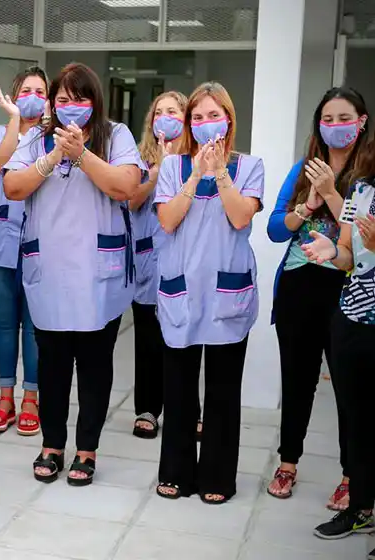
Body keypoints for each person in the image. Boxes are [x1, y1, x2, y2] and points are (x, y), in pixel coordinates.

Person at [4, 62, 143, 486]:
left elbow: (126, 186)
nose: (71, 107)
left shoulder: (115, 135)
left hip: (97, 274)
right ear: (50, 103)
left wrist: (82, 154)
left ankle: (87, 449)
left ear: (94, 102)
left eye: (79, 99)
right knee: (53, 365)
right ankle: (52, 444)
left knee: (96, 365)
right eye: (62, 99)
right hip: (49, 270)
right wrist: (53, 156)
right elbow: (13, 187)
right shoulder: (34, 139)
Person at [154, 82, 265, 504]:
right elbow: (167, 221)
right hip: (181, 289)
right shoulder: (172, 167)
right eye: (196, 117)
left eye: (212, 116)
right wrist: (196, 173)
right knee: (179, 388)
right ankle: (177, 473)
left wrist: (219, 173)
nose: (204, 124)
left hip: (226, 291)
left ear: (229, 121)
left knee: (222, 390)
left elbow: (240, 218)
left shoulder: (250, 166)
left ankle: (218, 476)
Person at [266, 87, 367, 507]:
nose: (337, 127)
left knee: (349, 389)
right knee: (297, 381)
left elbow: (365, 235)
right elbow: (275, 229)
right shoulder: (302, 170)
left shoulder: (369, 175)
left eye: (346, 118)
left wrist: (330, 192)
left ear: (362, 122)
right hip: (297, 286)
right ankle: (288, 461)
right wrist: (307, 205)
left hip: (346, 290)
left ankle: (351, 474)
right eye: (329, 119)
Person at [304, 131, 375, 550]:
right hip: (353, 317)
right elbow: (351, 253)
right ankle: (360, 508)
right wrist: (334, 251)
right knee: (357, 420)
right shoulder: (360, 190)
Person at [131, 91, 202, 440]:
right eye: (159, 111)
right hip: (148, 259)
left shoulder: (199, 159)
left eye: (173, 111)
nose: (165, 117)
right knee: (148, 339)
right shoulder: (139, 159)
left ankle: (188, 409)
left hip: (185, 258)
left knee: (185, 339)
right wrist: (157, 172)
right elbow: (130, 202)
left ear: (187, 117)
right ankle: (147, 408)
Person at [0, 67, 49, 436]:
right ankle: (5, 397)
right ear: (13, 95)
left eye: (41, 91)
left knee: (35, 327)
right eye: (26, 90)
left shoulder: (53, 137)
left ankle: (31, 399)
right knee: (5, 324)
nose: (33, 96)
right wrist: (13, 120)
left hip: (40, 243)